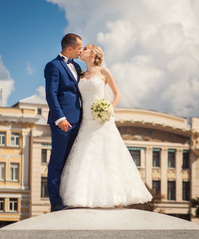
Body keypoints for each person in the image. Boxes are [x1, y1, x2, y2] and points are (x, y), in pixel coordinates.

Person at [59, 44, 152, 208]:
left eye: (85, 48)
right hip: (86, 121)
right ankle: (85, 198)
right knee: (86, 156)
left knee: (107, 157)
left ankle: (112, 197)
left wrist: (108, 109)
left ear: (93, 53)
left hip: (102, 120)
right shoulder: (80, 74)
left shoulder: (103, 72)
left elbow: (117, 94)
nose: (81, 50)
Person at [44, 33, 83, 212]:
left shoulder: (77, 66)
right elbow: (51, 94)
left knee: (71, 161)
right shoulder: (53, 66)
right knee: (57, 161)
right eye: (79, 48)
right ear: (70, 48)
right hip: (62, 122)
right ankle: (56, 203)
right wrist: (60, 118)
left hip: (78, 121)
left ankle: (68, 197)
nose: (81, 51)